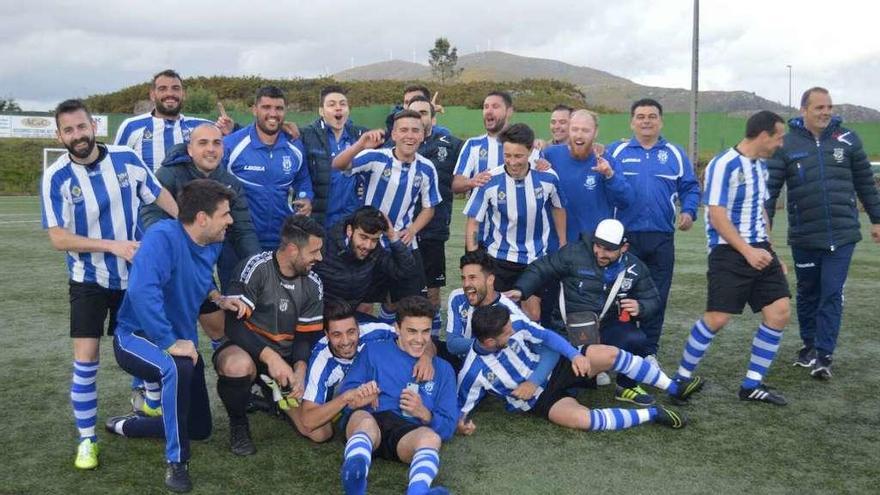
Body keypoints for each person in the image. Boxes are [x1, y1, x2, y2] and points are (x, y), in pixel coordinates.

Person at [40, 98, 178, 470]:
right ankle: (87, 440)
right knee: (86, 362)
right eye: (68, 130)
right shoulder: (56, 176)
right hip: (88, 280)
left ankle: (150, 401)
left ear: (93, 127)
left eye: (81, 127)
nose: (77, 135)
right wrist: (112, 245)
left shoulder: (126, 160)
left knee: (145, 352)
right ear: (59, 135)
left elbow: (160, 196)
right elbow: (58, 238)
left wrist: (185, 228)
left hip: (133, 279)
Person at [107, 179, 246, 492]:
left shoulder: (213, 242)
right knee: (176, 366)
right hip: (134, 337)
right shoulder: (161, 236)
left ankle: (130, 425)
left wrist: (218, 297)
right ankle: (177, 462)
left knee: (199, 428)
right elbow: (143, 291)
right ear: (202, 218)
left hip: (181, 343)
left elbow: (199, 277)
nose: (230, 220)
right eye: (225, 214)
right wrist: (169, 342)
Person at [671, 110, 791, 406]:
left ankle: (751, 385)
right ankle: (680, 380)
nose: (780, 143)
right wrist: (747, 251)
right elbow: (716, 213)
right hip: (729, 251)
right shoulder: (724, 164)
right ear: (764, 135)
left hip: (759, 247)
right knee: (717, 318)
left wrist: (771, 251)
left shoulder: (762, 166)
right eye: (778, 137)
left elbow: (761, 211)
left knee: (779, 311)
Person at [766, 87, 880, 379]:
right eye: (819, 107)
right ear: (804, 110)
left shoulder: (848, 139)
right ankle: (809, 347)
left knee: (831, 292)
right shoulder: (787, 144)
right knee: (808, 293)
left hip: (842, 234)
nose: (826, 112)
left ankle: (824, 355)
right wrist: (763, 227)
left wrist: (877, 219)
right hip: (804, 235)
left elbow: (866, 183)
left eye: (829, 107)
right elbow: (770, 190)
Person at [508, 219, 683, 406]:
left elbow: (653, 299)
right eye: (598, 246)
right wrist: (521, 290)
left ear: (624, 248)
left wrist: (641, 307)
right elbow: (540, 268)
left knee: (635, 338)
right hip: (567, 329)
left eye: (608, 250)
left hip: (605, 328)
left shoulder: (634, 267)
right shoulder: (573, 253)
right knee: (559, 391)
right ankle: (581, 376)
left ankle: (626, 386)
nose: (600, 253)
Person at [456, 305, 691, 437]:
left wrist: (575, 355)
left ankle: (673, 388)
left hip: (557, 367)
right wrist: (462, 424)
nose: (513, 330)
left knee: (608, 353)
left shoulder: (513, 324)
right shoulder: (473, 372)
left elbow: (547, 336)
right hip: (540, 400)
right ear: (489, 341)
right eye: (507, 332)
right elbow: (460, 409)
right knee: (582, 419)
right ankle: (653, 414)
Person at [211, 215, 326, 456]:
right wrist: (271, 358)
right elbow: (233, 327)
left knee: (317, 432)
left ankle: (272, 395)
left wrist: (300, 370)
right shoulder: (255, 268)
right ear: (293, 249)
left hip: (284, 362)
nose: (320, 258)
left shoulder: (313, 283)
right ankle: (239, 425)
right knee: (236, 366)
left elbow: (305, 336)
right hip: (248, 350)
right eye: (314, 251)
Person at [609, 99, 701, 363]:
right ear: (632, 122)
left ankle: (649, 351)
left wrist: (689, 211)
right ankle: (622, 350)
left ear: (660, 121)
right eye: (640, 116)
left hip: (661, 238)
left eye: (651, 116)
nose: (646, 121)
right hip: (625, 239)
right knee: (620, 294)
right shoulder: (617, 151)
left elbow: (690, 187)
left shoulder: (674, 153)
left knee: (656, 296)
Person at [337, 296, 456, 495]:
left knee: (431, 438)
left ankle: (418, 491)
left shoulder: (443, 370)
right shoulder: (374, 351)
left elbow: (448, 425)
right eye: (411, 331)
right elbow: (347, 394)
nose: (419, 339)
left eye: (425, 331)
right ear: (397, 328)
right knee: (363, 420)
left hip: (406, 433)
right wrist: (360, 394)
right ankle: (355, 479)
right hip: (370, 419)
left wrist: (424, 413)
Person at [332, 109, 441, 320]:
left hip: (403, 244)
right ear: (394, 134)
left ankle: (392, 337)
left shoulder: (427, 168)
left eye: (415, 130)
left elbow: (429, 207)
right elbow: (338, 165)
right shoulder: (376, 157)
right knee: (363, 304)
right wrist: (360, 145)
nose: (409, 135)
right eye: (404, 130)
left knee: (407, 305)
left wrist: (412, 229)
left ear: (423, 135)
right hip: (370, 244)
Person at [464, 123, 567, 320]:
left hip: (534, 258)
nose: (512, 162)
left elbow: (559, 208)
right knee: (495, 315)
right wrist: (474, 258)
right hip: (498, 258)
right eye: (507, 155)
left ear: (530, 151)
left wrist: (562, 241)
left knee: (532, 315)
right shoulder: (489, 180)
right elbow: (473, 221)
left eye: (518, 156)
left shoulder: (547, 177)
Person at [294, 299, 435, 442]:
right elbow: (308, 421)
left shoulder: (374, 332)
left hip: (359, 392)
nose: (346, 341)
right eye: (337, 335)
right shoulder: (321, 360)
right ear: (327, 335)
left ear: (358, 328)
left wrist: (427, 357)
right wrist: (346, 398)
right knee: (320, 434)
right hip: (334, 393)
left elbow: (420, 337)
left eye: (351, 332)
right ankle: (283, 400)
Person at [445, 250, 560, 381]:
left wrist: (534, 381)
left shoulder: (509, 310)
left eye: (472, 278)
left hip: (497, 365)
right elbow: (452, 345)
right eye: (463, 278)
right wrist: (490, 342)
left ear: (490, 279)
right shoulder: (457, 297)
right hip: (464, 360)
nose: (466, 284)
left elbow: (544, 347)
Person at [224, 85, 313, 251]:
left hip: (282, 239)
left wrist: (306, 197)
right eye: (266, 107)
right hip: (238, 240)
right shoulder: (231, 145)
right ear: (254, 110)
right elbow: (214, 183)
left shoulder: (294, 147)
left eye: (279, 108)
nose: (273, 114)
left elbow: (303, 179)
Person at [406, 95, 464, 334]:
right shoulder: (395, 145)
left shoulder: (450, 143)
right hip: (401, 232)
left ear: (433, 117)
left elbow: (485, 154)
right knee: (398, 292)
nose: (419, 118)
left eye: (424, 113)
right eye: (414, 113)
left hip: (434, 229)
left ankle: (432, 341)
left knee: (432, 291)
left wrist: (537, 151)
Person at [541, 110, 634, 244]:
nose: (579, 135)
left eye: (585, 130)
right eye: (575, 129)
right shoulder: (550, 155)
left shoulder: (605, 161)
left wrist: (609, 175)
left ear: (595, 132)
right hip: (556, 245)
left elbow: (626, 201)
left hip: (593, 247)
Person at [114, 69, 231, 172]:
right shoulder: (131, 126)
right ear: (152, 95)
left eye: (175, 89)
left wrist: (230, 131)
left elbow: (228, 152)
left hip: (191, 195)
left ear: (183, 94)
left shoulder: (201, 126)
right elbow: (117, 164)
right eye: (162, 89)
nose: (170, 94)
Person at [313, 206, 419, 307]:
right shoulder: (323, 245)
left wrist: (392, 236)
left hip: (349, 315)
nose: (368, 246)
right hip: (318, 312)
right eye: (363, 237)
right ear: (350, 231)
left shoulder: (375, 252)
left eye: (374, 240)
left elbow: (406, 271)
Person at [300, 85, 368, 228]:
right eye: (332, 104)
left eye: (343, 104)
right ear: (321, 111)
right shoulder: (306, 135)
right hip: (319, 221)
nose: (338, 108)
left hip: (351, 221)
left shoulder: (360, 135)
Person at [451, 91, 515, 194]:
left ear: (509, 111)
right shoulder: (473, 145)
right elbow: (456, 184)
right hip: (480, 209)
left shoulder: (524, 143)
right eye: (486, 107)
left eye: (495, 106)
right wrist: (472, 182)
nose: (488, 111)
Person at [384, 84, 451, 137]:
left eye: (415, 100)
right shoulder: (391, 131)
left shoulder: (442, 135)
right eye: (406, 102)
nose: (410, 106)